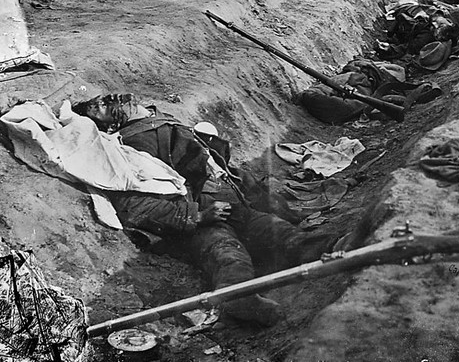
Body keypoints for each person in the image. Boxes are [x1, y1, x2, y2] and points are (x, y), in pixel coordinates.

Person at [73, 93, 348, 326]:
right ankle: (238, 298)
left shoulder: (162, 121)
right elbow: (135, 206)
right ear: (107, 128)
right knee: (226, 252)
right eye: (102, 107)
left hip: (220, 203)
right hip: (188, 217)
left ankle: (330, 247)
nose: (111, 99)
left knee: (272, 228)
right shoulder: (122, 150)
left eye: (106, 97)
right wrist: (198, 216)